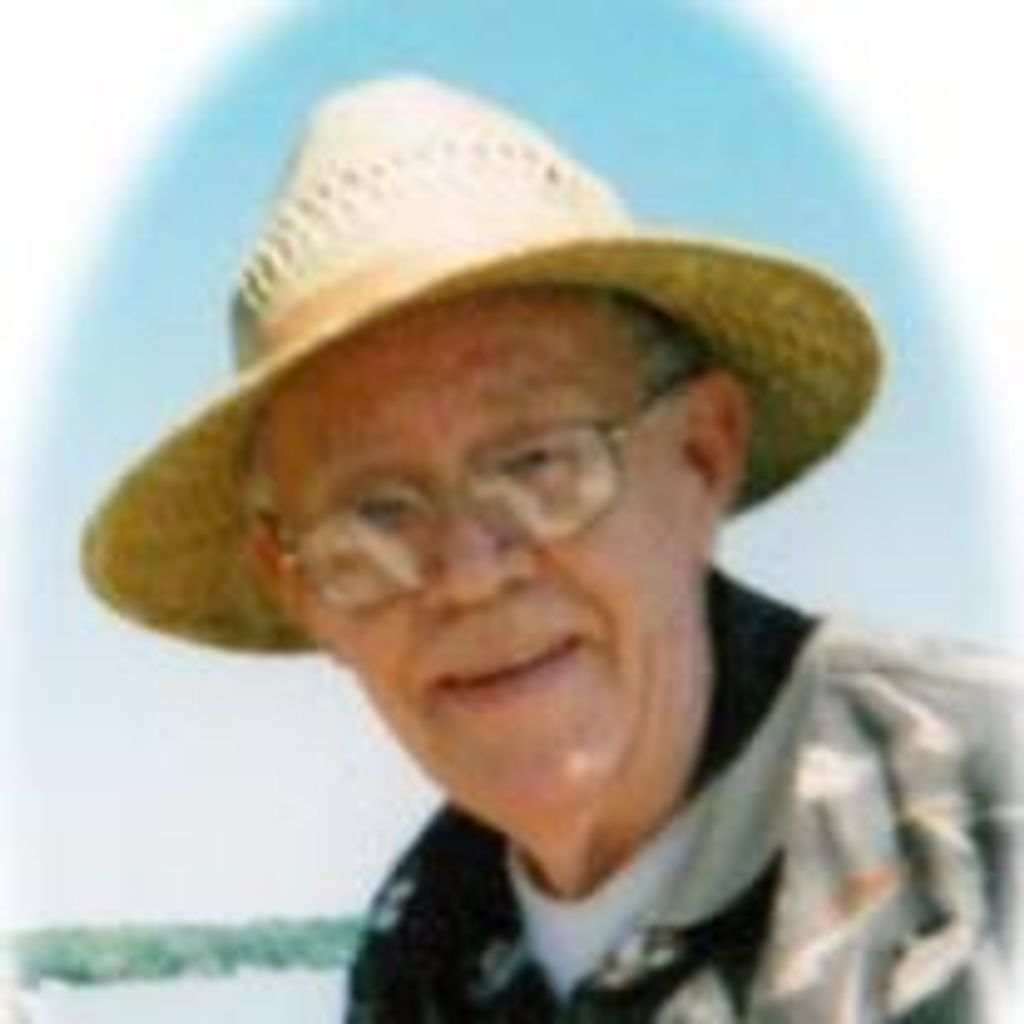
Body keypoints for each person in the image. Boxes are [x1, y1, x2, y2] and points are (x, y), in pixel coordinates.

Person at [81, 76, 1022, 1022]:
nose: (469, 574)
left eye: (536, 463)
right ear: (299, 589)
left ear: (703, 456)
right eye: (376, 517)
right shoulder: (421, 946)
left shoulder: (986, 829)